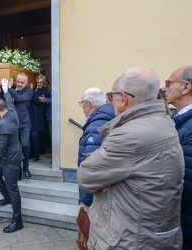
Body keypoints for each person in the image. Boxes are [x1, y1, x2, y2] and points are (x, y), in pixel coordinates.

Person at [77, 67, 184, 249]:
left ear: (123, 98)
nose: (110, 102)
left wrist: (107, 179)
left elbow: (86, 176)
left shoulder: (129, 134)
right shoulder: (163, 121)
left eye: (111, 97)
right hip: (152, 231)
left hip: (129, 237)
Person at [0, 78, 24, 233]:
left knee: (13, 188)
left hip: (10, 159)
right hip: (10, 157)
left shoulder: (3, 124)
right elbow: (10, 101)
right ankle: (8, 197)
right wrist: (5, 89)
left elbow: (1, 148)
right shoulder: (12, 112)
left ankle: (17, 221)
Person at [163, 65, 192, 250]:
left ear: (186, 87)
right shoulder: (179, 119)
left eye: (169, 83)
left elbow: (187, 179)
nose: (165, 88)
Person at [77, 87, 115, 212]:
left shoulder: (95, 126)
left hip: (96, 199)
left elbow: (91, 167)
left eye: (82, 104)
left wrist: (87, 199)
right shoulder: (107, 118)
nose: (82, 107)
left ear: (87, 105)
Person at [8, 72, 33, 179]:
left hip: (24, 124)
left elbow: (18, 98)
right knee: (15, 148)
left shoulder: (29, 91)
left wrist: (9, 88)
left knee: (25, 145)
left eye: (22, 82)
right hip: (13, 124)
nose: (19, 84)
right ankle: (17, 171)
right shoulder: (11, 89)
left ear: (26, 82)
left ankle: (26, 168)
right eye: (17, 81)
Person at [28, 74, 50, 161]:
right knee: (30, 135)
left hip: (38, 117)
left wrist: (30, 91)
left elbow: (37, 100)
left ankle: (36, 155)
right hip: (30, 115)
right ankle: (30, 154)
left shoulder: (45, 92)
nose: (39, 84)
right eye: (38, 82)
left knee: (35, 135)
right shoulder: (33, 90)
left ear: (44, 83)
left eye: (41, 82)